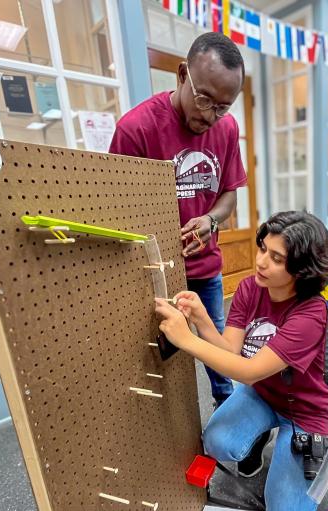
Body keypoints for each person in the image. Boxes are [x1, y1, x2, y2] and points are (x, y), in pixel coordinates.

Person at [155, 212, 328, 511]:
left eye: (277, 258)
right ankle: (262, 434)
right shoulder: (250, 289)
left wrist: (186, 340)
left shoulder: (311, 312)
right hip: (265, 393)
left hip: (304, 413)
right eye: (263, 248)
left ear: (301, 271)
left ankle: (308, 453)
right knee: (216, 441)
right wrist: (201, 319)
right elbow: (231, 351)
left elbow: (249, 370)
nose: (262, 261)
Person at [109, 32, 246, 411]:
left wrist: (211, 221)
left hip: (205, 270)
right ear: (182, 75)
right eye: (203, 98)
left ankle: (228, 413)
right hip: (153, 271)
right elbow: (119, 209)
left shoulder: (227, 128)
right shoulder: (136, 129)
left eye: (222, 106)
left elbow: (229, 194)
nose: (209, 115)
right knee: (159, 355)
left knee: (216, 348)